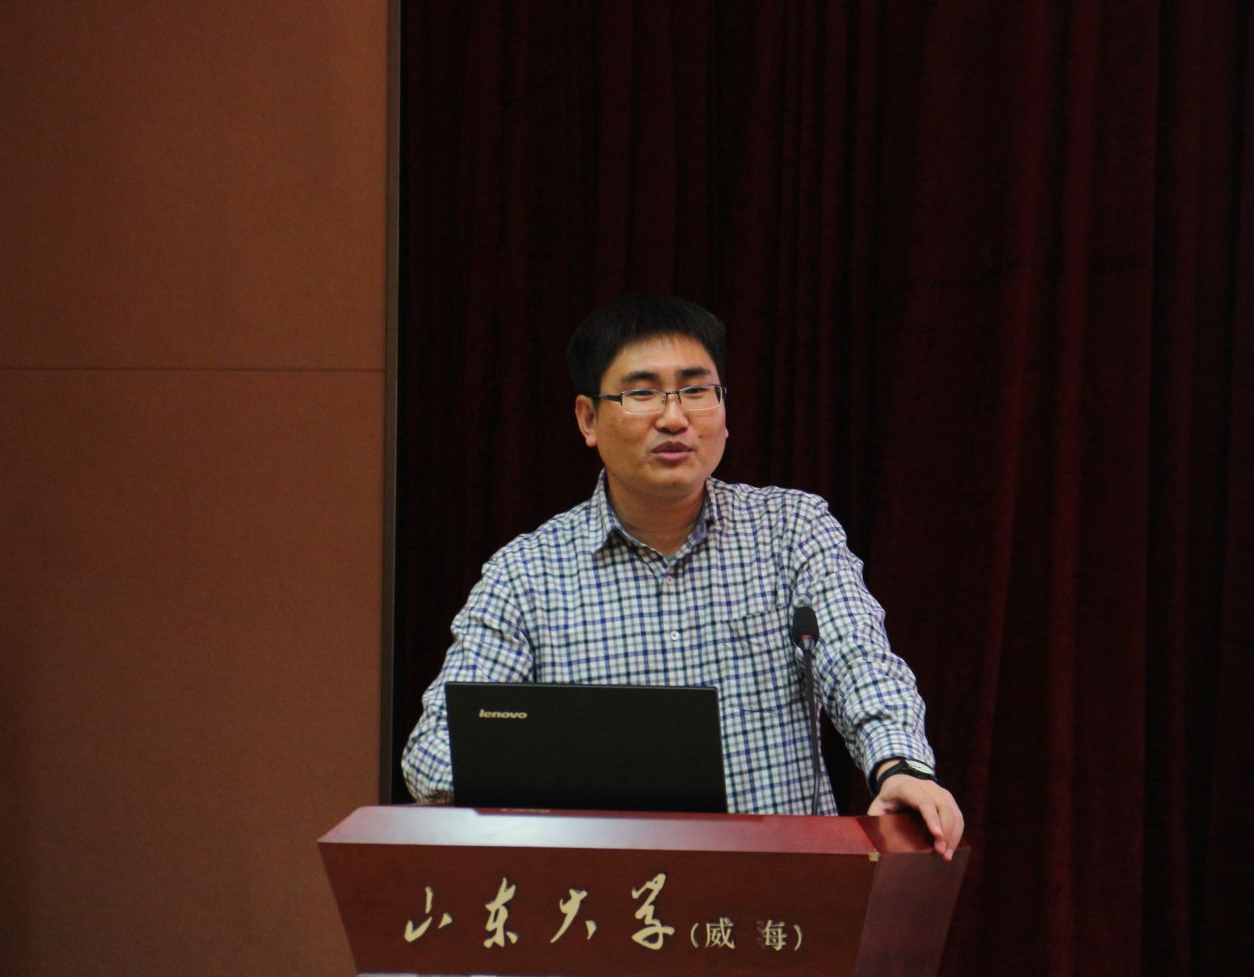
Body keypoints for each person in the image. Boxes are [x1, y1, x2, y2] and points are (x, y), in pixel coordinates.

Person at [402, 293, 964, 859]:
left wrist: (900, 765)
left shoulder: (793, 530)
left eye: (696, 390)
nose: (674, 419)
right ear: (588, 419)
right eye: (642, 393)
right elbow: (434, 758)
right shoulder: (526, 575)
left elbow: (858, 659)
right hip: (608, 898)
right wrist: (573, 772)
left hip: (783, 892)